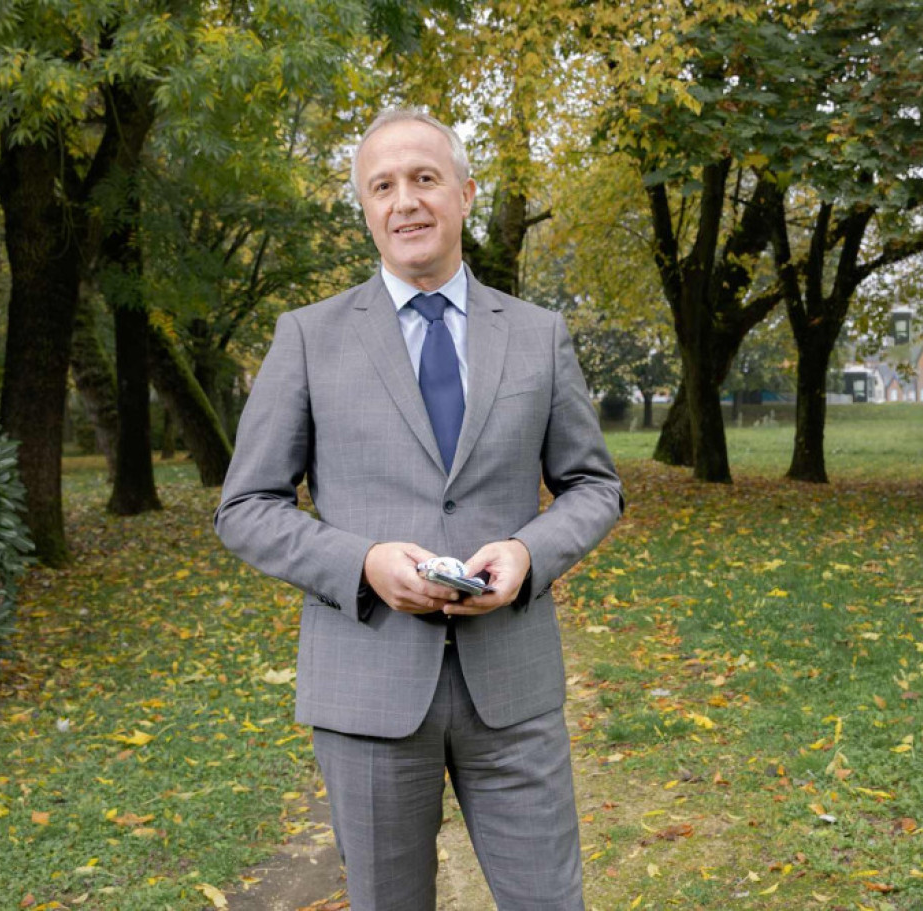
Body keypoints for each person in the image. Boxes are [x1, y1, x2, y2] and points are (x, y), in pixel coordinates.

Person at [214, 107, 622, 910]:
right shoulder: (307, 337)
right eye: (383, 185)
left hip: (512, 688)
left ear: (466, 194)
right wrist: (360, 563)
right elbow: (246, 506)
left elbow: (594, 484)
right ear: (365, 208)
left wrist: (530, 553)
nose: (405, 200)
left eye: (425, 179)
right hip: (367, 689)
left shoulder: (539, 335)